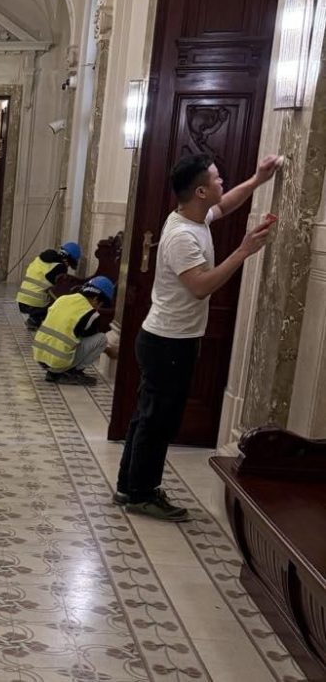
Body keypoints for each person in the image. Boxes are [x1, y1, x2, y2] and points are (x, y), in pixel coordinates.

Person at [115, 152, 279, 522]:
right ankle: (141, 493)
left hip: (167, 338)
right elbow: (201, 286)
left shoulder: (194, 216)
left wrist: (258, 179)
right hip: (168, 342)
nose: (222, 182)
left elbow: (227, 204)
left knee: (148, 417)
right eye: (217, 179)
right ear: (201, 191)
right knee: (158, 422)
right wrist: (243, 251)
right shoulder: (182, 237)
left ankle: (130, 486)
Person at [32, 276, 116, 386]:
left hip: (40, 358)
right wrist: (109, 351)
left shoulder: (62, 299)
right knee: (101, 339)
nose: (98, 308)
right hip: (58, 362)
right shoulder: (90, 313)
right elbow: (89, 339)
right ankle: (69, 373)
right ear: (96, 299)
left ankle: (54, 372)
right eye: (100, 304)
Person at [16, 241, 82, 330]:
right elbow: (59, 290)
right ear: (67, 259)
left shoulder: (40, 259)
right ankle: (35, 319)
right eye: (70, 264)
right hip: (36, 303)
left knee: (45, 291)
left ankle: (34, 319)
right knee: (60, 300)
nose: (68, 266)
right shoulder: (60, 267)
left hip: (22, 300)